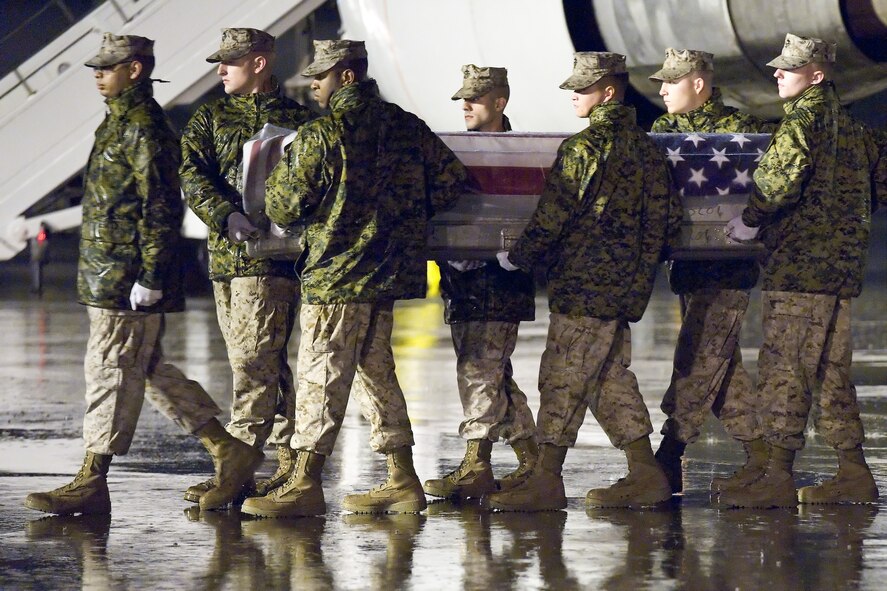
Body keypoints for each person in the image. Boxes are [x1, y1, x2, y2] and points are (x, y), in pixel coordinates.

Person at [24, 33, 261, 515]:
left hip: (125, 277)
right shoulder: (118, 121)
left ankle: (92, 479)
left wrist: (151, 275)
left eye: (108, 67)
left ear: (134, 70)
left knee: (110, 371)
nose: (98, 74)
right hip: (108, 273)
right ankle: (228, 450)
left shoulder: (144, 127)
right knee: (148, 370)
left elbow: (159, 207)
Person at [239, 40, 467, 518]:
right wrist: (403, 216)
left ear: (347, 76)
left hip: (336, 275)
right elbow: (451, 181)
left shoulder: (324, 134)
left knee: (320, 375)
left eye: (320, 76)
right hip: (387, 273)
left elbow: (282, 206)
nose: (313, 85)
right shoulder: (406, 126)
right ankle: (402, 478)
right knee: (375, 372)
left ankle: (305, 481)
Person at [485, 52, 681, 511]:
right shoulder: (649, 152)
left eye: (583, 88)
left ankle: (546, 479)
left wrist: (518, 258)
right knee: (607, 378)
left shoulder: (584, 149)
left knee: (561, 378)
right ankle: (646, 473)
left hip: (582, 287)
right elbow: (667, 224)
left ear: (608, 93)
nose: (573, 94)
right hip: (624, 289)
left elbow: (553, 217)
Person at [723, 33, 882, 508]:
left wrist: (750, 220)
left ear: (815, 75)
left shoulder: (800, 124)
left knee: (784, 370)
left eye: (788, 68)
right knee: (831, 373)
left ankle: (776, 476)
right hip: (840, 273)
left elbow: (776, 183)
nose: (776, 73)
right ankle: (853, 472)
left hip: (798, 271)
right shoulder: (857, 130)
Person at [180, 28, 313, 505]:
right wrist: (224, 214)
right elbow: (191, 173)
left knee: (252, 363)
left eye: (231, 62)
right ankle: (287, 461)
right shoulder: (210, 117)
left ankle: (235, 469)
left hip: (274, 259)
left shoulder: (300, 122)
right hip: (225, 260)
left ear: (259, 63)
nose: (221, 70)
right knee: (263, 361)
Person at [647, 48, 773, 495]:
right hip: (688, 268)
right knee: (719, 362)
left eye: (672, 81)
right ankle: (763, 458)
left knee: (699, 355)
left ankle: (670, 454)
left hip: (728, 267)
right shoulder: (662, 132)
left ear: (698, 83)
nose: (662, 90)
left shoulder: (744, 131)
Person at [423, 65, 538, 501]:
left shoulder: (518, 158)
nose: (466, 106)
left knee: (479, 372)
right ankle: (532, 461)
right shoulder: (457, 153)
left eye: (475, 98)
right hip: (462, 282)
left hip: (499, 281)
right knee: (495, 375)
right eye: (463, 99)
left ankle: (476, 464)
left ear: (499, 102)